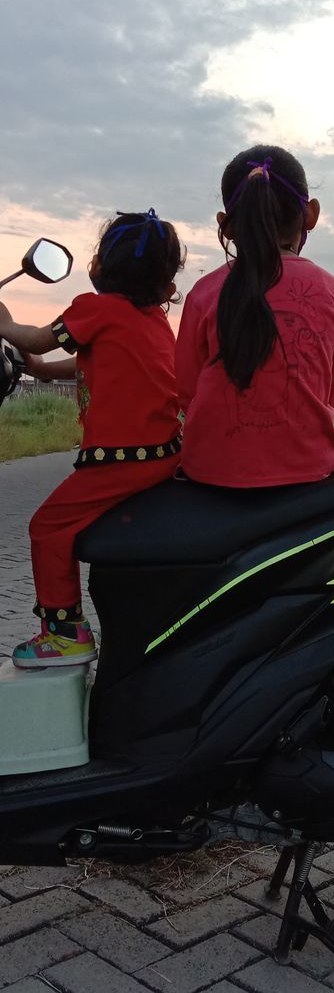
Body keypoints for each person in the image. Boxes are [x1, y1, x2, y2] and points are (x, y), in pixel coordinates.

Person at [0, 209, 185, 669]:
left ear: (98, 267)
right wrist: (39, 370)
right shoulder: (152, 321)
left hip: (120, 460)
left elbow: (42, 339)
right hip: (162, 453)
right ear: (167, 285)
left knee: (47, 528)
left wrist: (5, 323)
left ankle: (65, 635)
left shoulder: (95, 308)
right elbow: (90, 363)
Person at [176, 144, 334, 487]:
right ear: (311, 215)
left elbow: (187, 392)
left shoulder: (203, 293)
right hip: (309, 475)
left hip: (210, 474)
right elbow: (329, 396)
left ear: (226, 227)